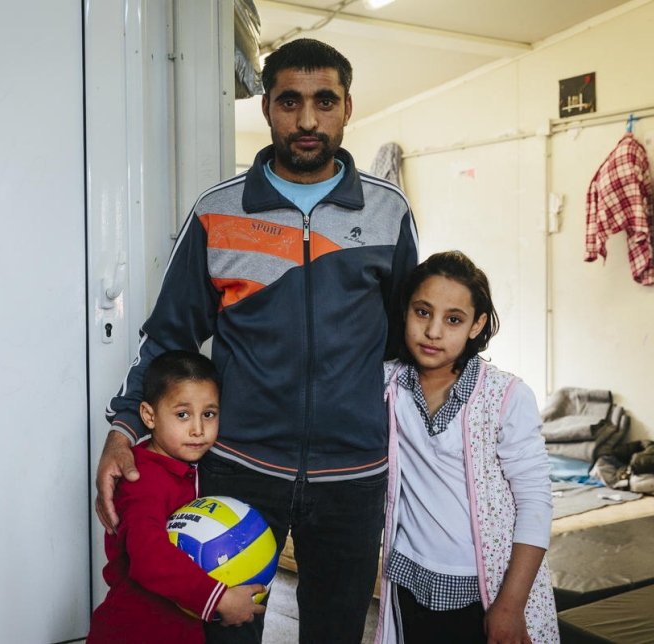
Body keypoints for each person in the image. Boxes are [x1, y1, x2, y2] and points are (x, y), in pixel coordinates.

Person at [96, 38, 419, 644]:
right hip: (238, 468)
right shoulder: (218, 211)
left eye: (324, 101)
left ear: (347, 106)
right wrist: (122, 429)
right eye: (289, 101)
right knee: (224, 631)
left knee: (335, 633)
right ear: (266, 107)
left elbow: (413, 340)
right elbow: (169, 334)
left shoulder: (388, 213)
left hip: (353, 474)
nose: (306, 119)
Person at [375, 251, 559, 643]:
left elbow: (535, 500)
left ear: (477, 325)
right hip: (408, 575)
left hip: (486, 587)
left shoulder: (505, 395)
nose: (434, 331)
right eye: (422, 312)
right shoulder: (387, 384)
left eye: (453, 319)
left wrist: (509, 607)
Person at [87, 351, 266, 644]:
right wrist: (218, 599)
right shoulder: (141, 477)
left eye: (209, 414)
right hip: (134, 631)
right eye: (182, 414)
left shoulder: (186, 466)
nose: (198, 429)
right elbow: (148, 556)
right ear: (149, 416)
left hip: (179, 628)